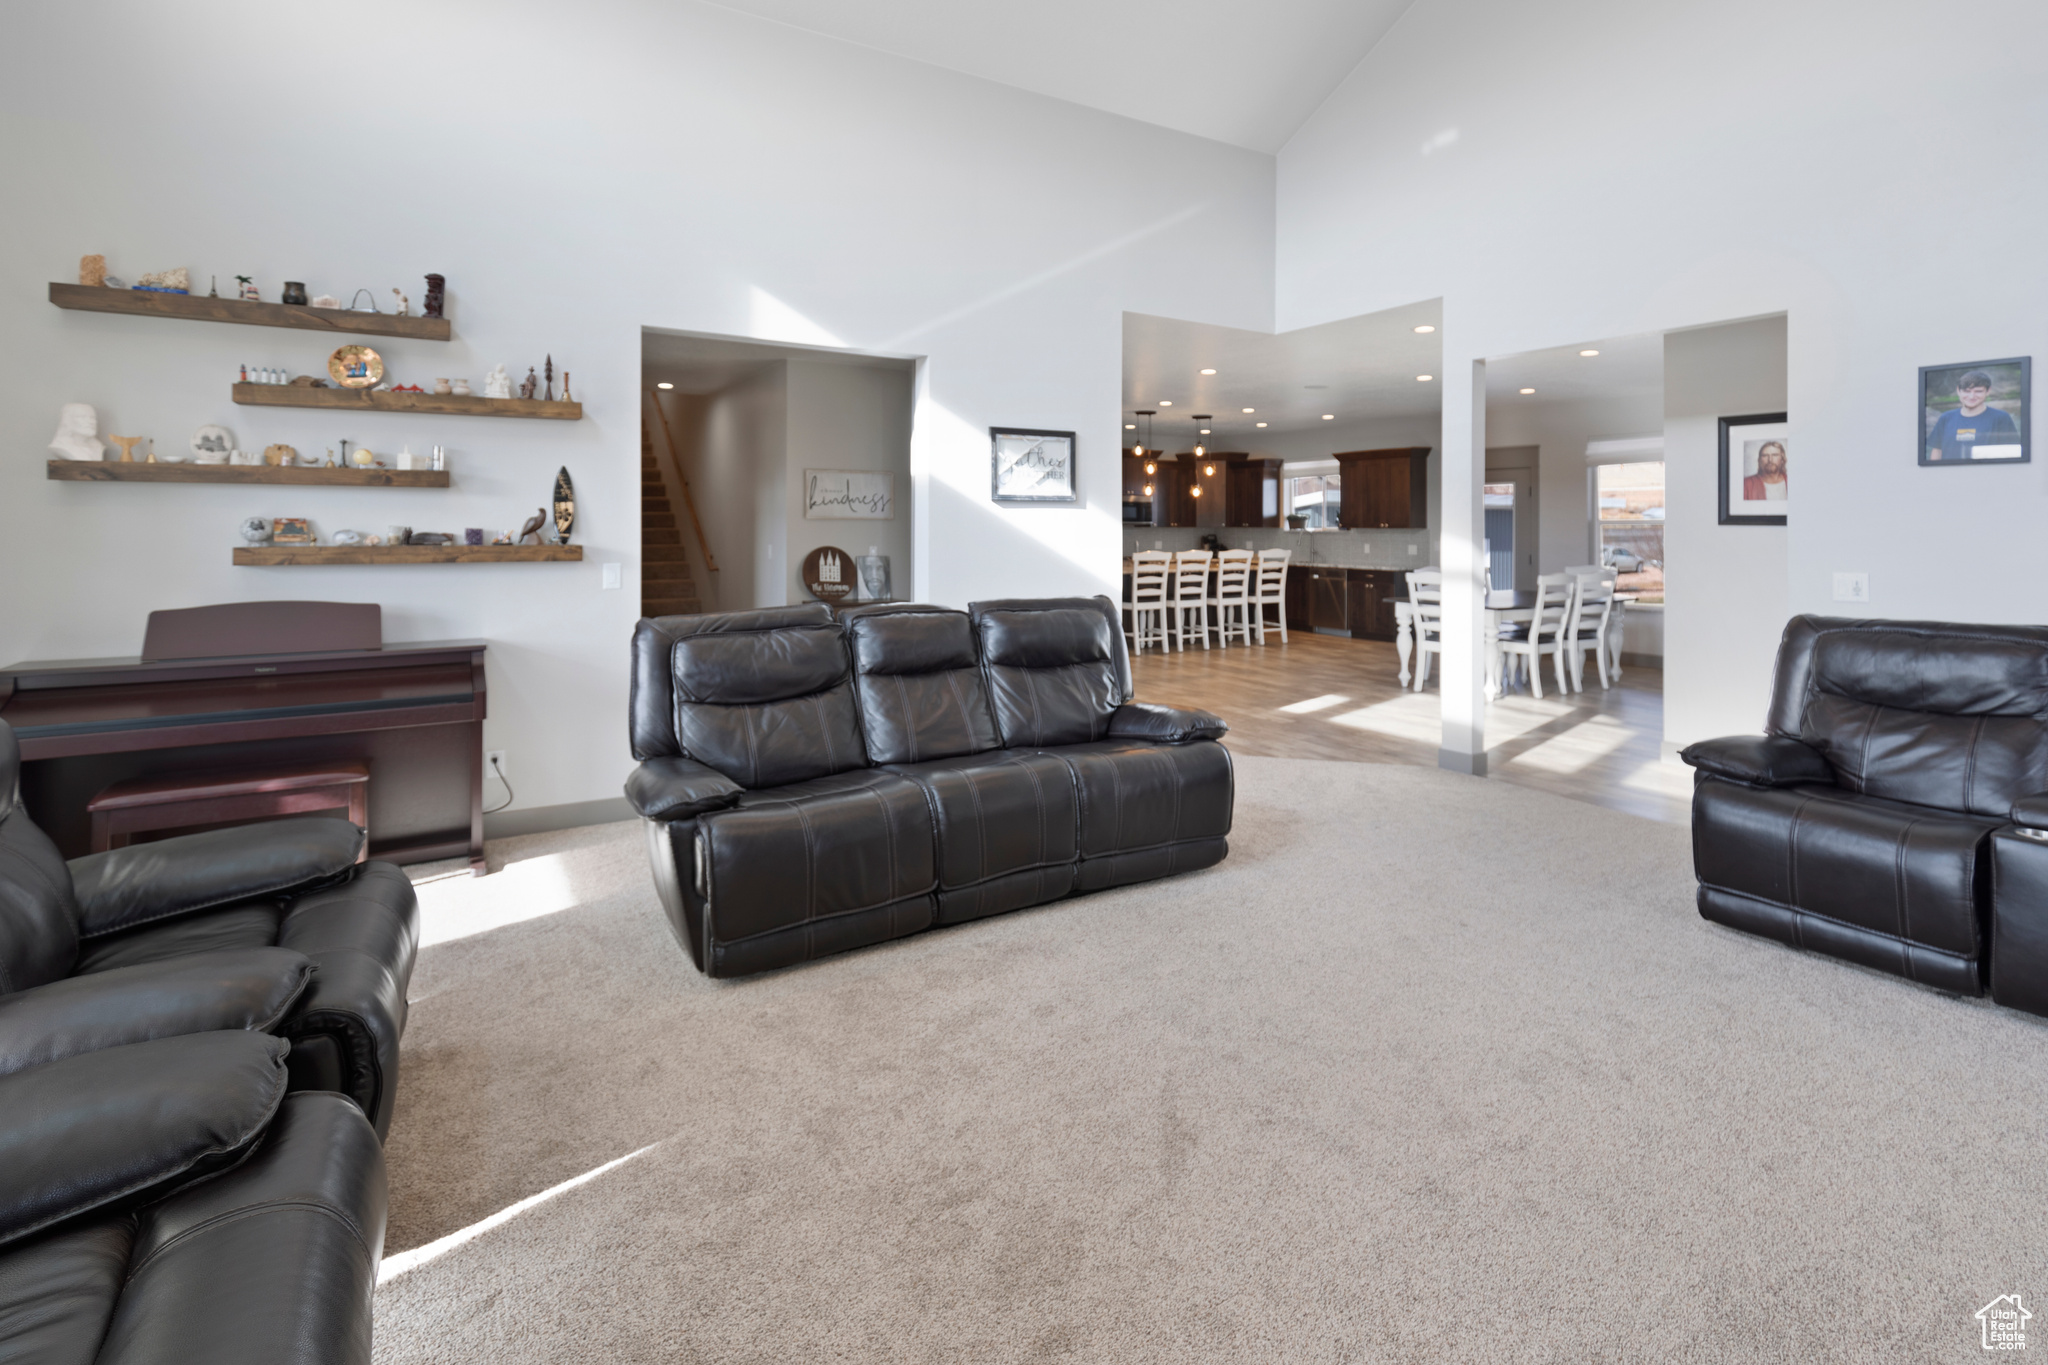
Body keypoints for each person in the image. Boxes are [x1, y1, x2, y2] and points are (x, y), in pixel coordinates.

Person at [1927, 369, 2021, 460]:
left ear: (1988, 391)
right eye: (1967, 391)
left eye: (1978, 391)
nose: (1971, 396)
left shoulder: (2001, 418)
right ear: (1958, 391)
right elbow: (1937, 451)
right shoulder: (1946, 418)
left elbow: (2011, 453)